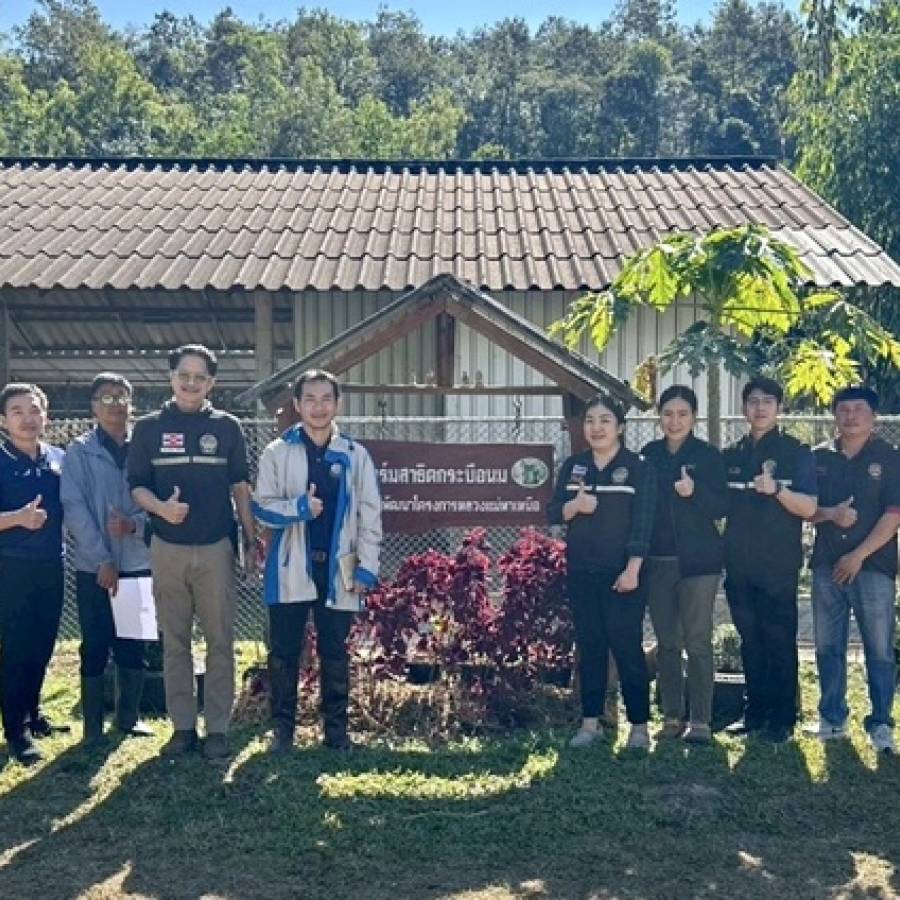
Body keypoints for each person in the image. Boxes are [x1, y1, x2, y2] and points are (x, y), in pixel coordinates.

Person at [128, 344, 256, 760]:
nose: (191, 383)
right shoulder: (147, 429)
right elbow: (137, 486)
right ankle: (183, 727)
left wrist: (250, 539)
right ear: (171, 377)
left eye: (200, 377)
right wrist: (161, 508)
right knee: (175, 641)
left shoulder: (228, 427)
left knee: (221, 640)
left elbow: (240, 486)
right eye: (184, 374)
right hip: (167, 549)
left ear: (211, 383)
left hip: (216, 546)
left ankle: (217, 727)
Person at [252, 369, 382, 753]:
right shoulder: (277, 452)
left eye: (326, 398)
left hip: (338, 570)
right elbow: (262, 509)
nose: (318, 407)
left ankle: (337, 734)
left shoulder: (356, 455)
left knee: (335, 652)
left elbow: (370, 517)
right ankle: (283, 733)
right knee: (284, 652)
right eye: (310, 399)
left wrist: (366, 567)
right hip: (290, 567)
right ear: (297, 405)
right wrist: (300, 508)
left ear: (338, 404)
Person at [548, 393, 656, 750]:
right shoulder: (573, 467)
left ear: (620, 427)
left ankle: (639, 728)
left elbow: (643, 524)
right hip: (582, 572)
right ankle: (590, 724)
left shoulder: (639, 467)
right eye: (591, 421)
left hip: (623, 575)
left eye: (605, 421)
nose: (596, 428)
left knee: (626, 647)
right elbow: (551, 513)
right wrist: (574, 506)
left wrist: (633, 569)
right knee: (591, 647)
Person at [723, 376, 817, 744]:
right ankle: (754, 713)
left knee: (779, 639)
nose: (759, 407)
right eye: (752, 401)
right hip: (739, 566)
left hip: (778, 564)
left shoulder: (797, 451)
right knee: (750, 641)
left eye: (767, 401)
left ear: (779, 407)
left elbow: (809, 507)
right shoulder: (731, 454)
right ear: (744, 408)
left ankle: (782, 719)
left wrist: (777, 490)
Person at [806, 386, 900, 754]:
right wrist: (832, 514)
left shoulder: (890, 458)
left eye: (859, 409)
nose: (850, 416)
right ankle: (832, 718)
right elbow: (805, 509)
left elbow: (893, 516)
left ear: (873, 416)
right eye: (843, 410)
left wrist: (859, 555)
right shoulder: (818, 458)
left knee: (879, 649)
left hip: (873, 567)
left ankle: (880, 724)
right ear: (834, 416)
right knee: (828, 647)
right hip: (826, 566)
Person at [61, 373, 153, 744]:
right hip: (94, 568)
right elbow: (74, 507)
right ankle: (93, 728)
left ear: (132, 404)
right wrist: (101, 559)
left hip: (136, 563)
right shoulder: (78, 452)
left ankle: (128, 719)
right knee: (95, 642)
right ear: (93, 407)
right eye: (106, 399)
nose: (115, 405)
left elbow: (160, 498)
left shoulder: (144, 447)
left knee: (134, 643)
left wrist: (135, 524)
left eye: (121, 397)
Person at [642, 385, 728, 744]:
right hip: (657, 563)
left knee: (698, 642)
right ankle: (672, 717)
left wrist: (695, 494)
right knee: (667, 644)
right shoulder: (648, 456)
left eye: (682, 414)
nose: (674, 421)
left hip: (699, 564)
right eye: (668, 414)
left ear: (693, 417)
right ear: (659, 417)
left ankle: (701, 721)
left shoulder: (708, 456)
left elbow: (722, 507)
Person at [0, 383, 66, 766]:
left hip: (50, 564)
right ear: (4, 420)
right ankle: (16, 732)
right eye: (18, 411)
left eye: (35, 410)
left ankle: (34, 713)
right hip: (12, 567)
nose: (28, 418)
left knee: (42, 645)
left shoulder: (57, 457)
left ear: (46, 416)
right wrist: (18, 519)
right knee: (18, 648)